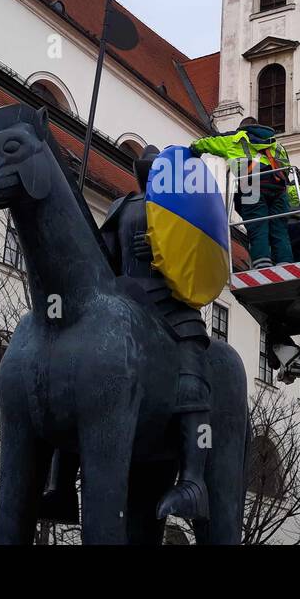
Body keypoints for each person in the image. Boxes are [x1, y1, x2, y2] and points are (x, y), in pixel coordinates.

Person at [101, 145, 213, 521]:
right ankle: (60, 476)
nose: (148, 175)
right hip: (126, 301)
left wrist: (162, 249)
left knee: (192, 373)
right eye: (145, 169)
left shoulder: (184, 207)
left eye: (154, 170)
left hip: (171, 304)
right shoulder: (121, 206)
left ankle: (194, 479)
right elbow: (105, 260)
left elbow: (198, 256)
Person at [190, 117, 293, 269]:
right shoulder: (278, 145)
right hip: (279, 190)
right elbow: (287, 169)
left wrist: (193, 150)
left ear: (242, 128)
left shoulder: (235, 138)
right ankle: (285, 263)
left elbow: (205, 142)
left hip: (252, 186)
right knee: (279, 229)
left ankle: (262, 263)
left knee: (258, 226)